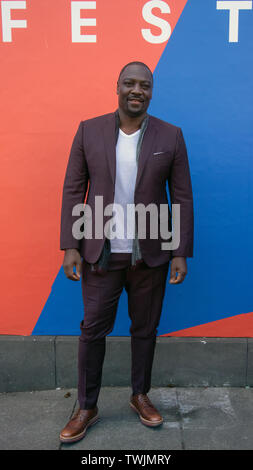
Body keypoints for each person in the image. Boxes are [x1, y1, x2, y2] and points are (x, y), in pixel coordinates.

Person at [59, 61, 194, 443]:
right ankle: (87, 406)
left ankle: (140, 395)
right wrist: (70, 244)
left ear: (151, 92)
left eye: (145, 85)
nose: (138, 90)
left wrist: (180, 251)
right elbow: (74, 189)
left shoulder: (171, 136)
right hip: (100, 253)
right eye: (130, 83)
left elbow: (181, 196)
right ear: (117, 86)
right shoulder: (89, 130)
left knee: (145, 329)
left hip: (150, 254)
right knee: (91, 331)